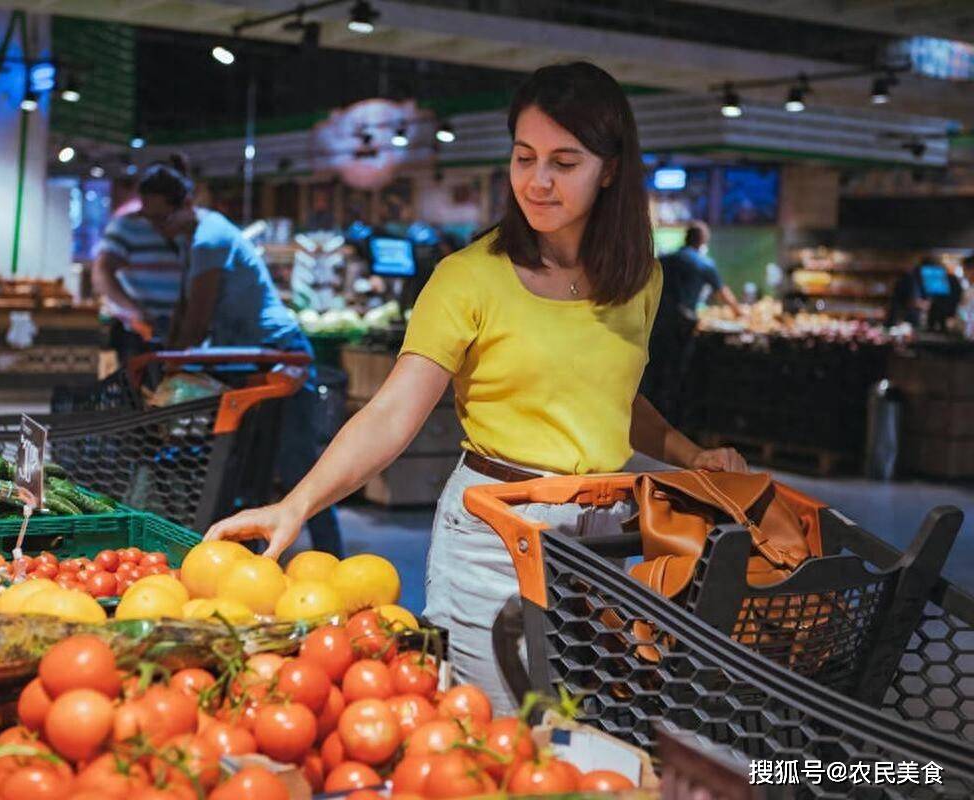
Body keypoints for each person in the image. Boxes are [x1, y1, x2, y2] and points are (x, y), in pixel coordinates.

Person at [205, 62, 745, 713]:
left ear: (609, 168)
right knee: (490, 731)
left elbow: (611, 400)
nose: (538, 181)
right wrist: (296, 504)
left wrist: (690, 456)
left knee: (579, 732)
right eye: (525, 157)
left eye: (564, 162)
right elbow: (392, 412)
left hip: (605, 540)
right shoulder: (469, 278)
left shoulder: (639, 282)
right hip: (495, 535)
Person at [136, 163, 344, 557]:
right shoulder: (192, 237)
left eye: (163, 216)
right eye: (150, 219)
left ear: (186, 204)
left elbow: (197, 317)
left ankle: (333, 560)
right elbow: (184, 310)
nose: (158, 227)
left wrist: (171, 369)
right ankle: (251, 553)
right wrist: (170, 361)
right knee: (248, 466)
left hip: (282, 358)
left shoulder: (210, 238)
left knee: (300, 467)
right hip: (248, 363)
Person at [92, 159, 194, 362]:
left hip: (180, 328)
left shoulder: (188, 228)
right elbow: (102, 273)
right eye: (150, 213)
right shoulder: (125, 226)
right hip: (138, 331)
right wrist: (133, 311)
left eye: (162, 216)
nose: (156, 222)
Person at [641, 221, 742, 425]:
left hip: (654, 323)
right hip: (681, 325)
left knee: (652, 371)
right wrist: (740, 313)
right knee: (676, 373)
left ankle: (647, 418)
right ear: (702, 242)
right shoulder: (704, 263)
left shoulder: (665, 259)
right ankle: (672, 420)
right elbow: (724, 294)